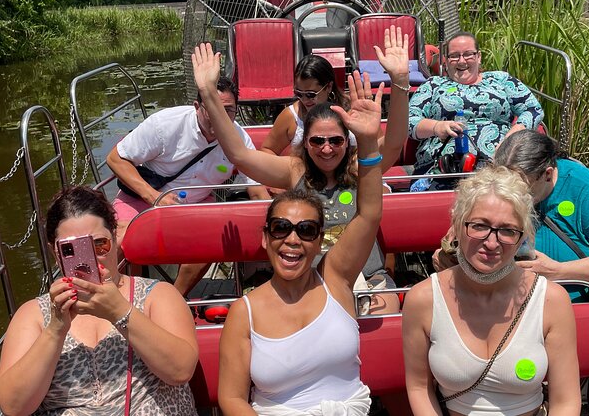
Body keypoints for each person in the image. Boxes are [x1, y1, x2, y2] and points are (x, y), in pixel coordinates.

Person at [211, 51, 385, 414]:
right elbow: (231, 400)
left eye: (306, 230)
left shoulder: (335, 278)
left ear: (319, 240)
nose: (292, 239)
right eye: (280, 228)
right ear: (265, 238)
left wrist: (368, 142)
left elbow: (368, 214)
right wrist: (209, 95)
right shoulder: (246, 311)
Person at [192, 26, 409, 314]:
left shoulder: (361, 168)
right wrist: (208, 92)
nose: (327, 148)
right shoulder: (295, 170)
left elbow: (394, 144)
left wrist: (401, 81)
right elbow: (239, 154)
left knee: (384, 315)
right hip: (307, 281)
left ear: (347, 142)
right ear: (305, 143)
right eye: (317, 141)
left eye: (335, 141)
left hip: (366, 279)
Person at [0, 186, 198, 415]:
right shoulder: (34, 314)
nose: (91, 259)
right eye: (70, 250)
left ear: (115, 237)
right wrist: (55, 329)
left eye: (99, 245)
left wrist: (119, 312)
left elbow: (180, 371)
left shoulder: (158, 295)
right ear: (54, 253)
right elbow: (14, 407)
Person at [402, 165, 580, 416]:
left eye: (507, 230)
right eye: (479, 226)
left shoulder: (552, 300)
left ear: (522, 237)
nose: (492, 242)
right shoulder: (423, 299)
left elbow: (566, 402)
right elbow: (419, 388)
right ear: (457, 225)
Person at [493, 129, 589, 416]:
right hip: (507, 309)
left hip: (579, 308)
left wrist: (557, 271)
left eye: (520, 187)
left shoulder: (580, 186)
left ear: (548, 174)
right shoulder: (496, 190)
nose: (509, 194)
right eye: (502, 182)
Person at [106, 76, 270, 296]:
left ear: (236, 111)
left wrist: (275, 223)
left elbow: (256, 189)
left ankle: (174, 298)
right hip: (142, 198)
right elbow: (115, 158)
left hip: (197, 203)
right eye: (211, 109)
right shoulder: (164, 124)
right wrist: (153, 196)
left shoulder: (239, 139)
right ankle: (109, 302)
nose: (218, 117)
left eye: (228, 110)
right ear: (197, 107)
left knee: (212, 239)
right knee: (114, 242)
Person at [408, 31, 544, 183]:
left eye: (468, 54)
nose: (461, 61)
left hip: (501, 167)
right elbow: (409, 121)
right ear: (445, 60)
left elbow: (533, 109)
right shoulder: (432, 85)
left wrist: (513, 136)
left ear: (478, 57)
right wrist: (437, 127)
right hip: (444, 168)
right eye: (454, 56)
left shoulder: (500, 80)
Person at [260, 54, 351, 157]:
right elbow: (267, 150)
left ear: (329, 87)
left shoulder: (349, 109)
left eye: (310, 94)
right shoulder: (291, 116)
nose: (304, 100)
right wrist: (292, 168)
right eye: (298, 93)